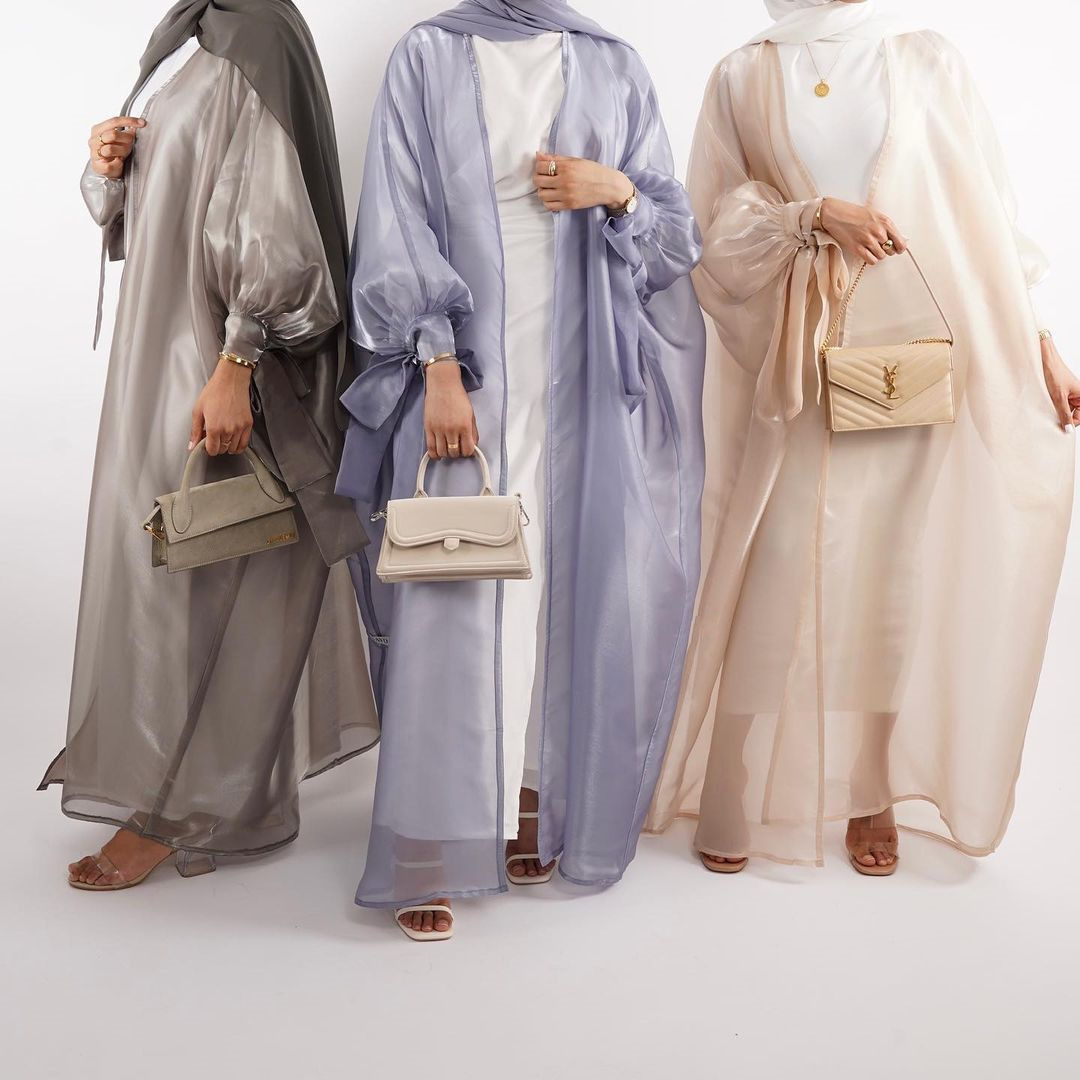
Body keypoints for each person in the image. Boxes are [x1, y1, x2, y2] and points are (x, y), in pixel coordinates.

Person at [646, 0, 1078, 876]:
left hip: (912, 354)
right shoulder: (744, 73)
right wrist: (812, 215)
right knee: (773, 567)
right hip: (798, 356)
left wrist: (1038, 340)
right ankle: (732, 781)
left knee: (888, 580)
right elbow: (709, 233)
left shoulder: (924, 58)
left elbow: (984, 216)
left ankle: (870, 790)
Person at [338, 0, 706, 939]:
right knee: (455, 588)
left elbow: (673, 238)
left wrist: (614, 190)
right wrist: (436, 363)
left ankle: (538, 790)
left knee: (561, 587)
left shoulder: (611, 62)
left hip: (583, 373)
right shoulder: (428, 54)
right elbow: (395, 217)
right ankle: (430, 836)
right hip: (470, 372)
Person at [42, 0, 378, 890]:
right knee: (174, 565)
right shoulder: (188, 41)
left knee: (217, 568)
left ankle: (183, 806)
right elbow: (166, 204)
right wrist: (111, 164)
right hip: (158, 350)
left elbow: (273, 217)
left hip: (210, 354)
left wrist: (237, 360)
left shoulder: (258, 36)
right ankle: (178, 785)